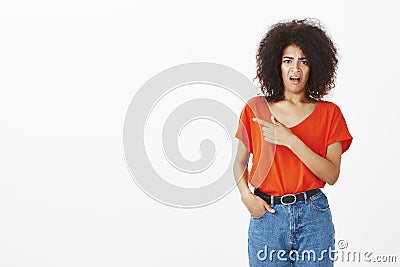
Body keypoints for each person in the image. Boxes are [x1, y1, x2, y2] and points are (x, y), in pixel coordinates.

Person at [233, 18, 353, 267]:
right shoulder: (255, 109)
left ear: (315, 67)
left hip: (314, 216)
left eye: (304, 61)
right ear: (276, 65)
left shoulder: (330, 113)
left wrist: (290, 139)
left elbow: (331, 174)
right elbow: (239, 162)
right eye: (288, 61)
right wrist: (246, 197)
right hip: (267, 215)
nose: (295, 69)